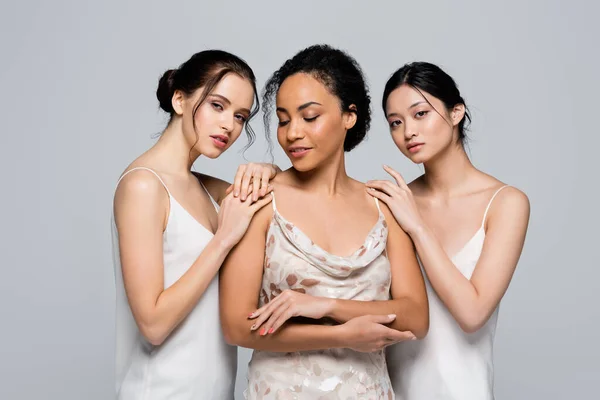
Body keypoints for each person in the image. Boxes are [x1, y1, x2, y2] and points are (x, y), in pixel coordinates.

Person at [219, 45, 429, 399]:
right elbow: (236, 326)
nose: (292, 133)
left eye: (309, 117)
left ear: (350, 116)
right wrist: (341, 334)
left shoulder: (383, 206)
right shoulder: (259, 201)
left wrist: (326, 307)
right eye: (283, 120)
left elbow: (415, 317)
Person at [112, 49, 276, 399]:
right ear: (179, 99)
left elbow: (278, 193)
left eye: (241, 116)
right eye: (218, 105)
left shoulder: (206, 188)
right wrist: (223, 241)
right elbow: (153, 324)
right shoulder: (143, 186)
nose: (229, 125)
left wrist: (268, 170)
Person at [368, 61, 530, 400]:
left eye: (420, 114)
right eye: (395, 123)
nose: (407, 131)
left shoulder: (505, 203)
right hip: (387, 390)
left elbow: (472, 313)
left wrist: (416, 226)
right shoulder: (395, 202)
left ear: (456, 112)